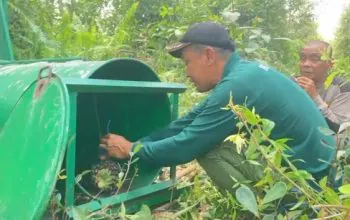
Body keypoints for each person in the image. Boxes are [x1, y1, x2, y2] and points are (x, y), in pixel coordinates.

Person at [99, 22, 335, 193]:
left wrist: (132, 151)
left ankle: (269, 208)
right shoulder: (244, 74)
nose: (187, 72)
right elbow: (185, 123)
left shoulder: (238, 86)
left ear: (209, 55)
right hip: (317, 162)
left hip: (311, 178)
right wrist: (139, 142)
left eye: (188, 62)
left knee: (207, 147)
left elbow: (185, 147)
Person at [296, 40, 350, 132]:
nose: (306, 64)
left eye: (315, 59)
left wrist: (315, 96)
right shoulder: (292, 84)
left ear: (330, 64)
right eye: (302, 58)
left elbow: (340, 128)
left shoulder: (342, 87)